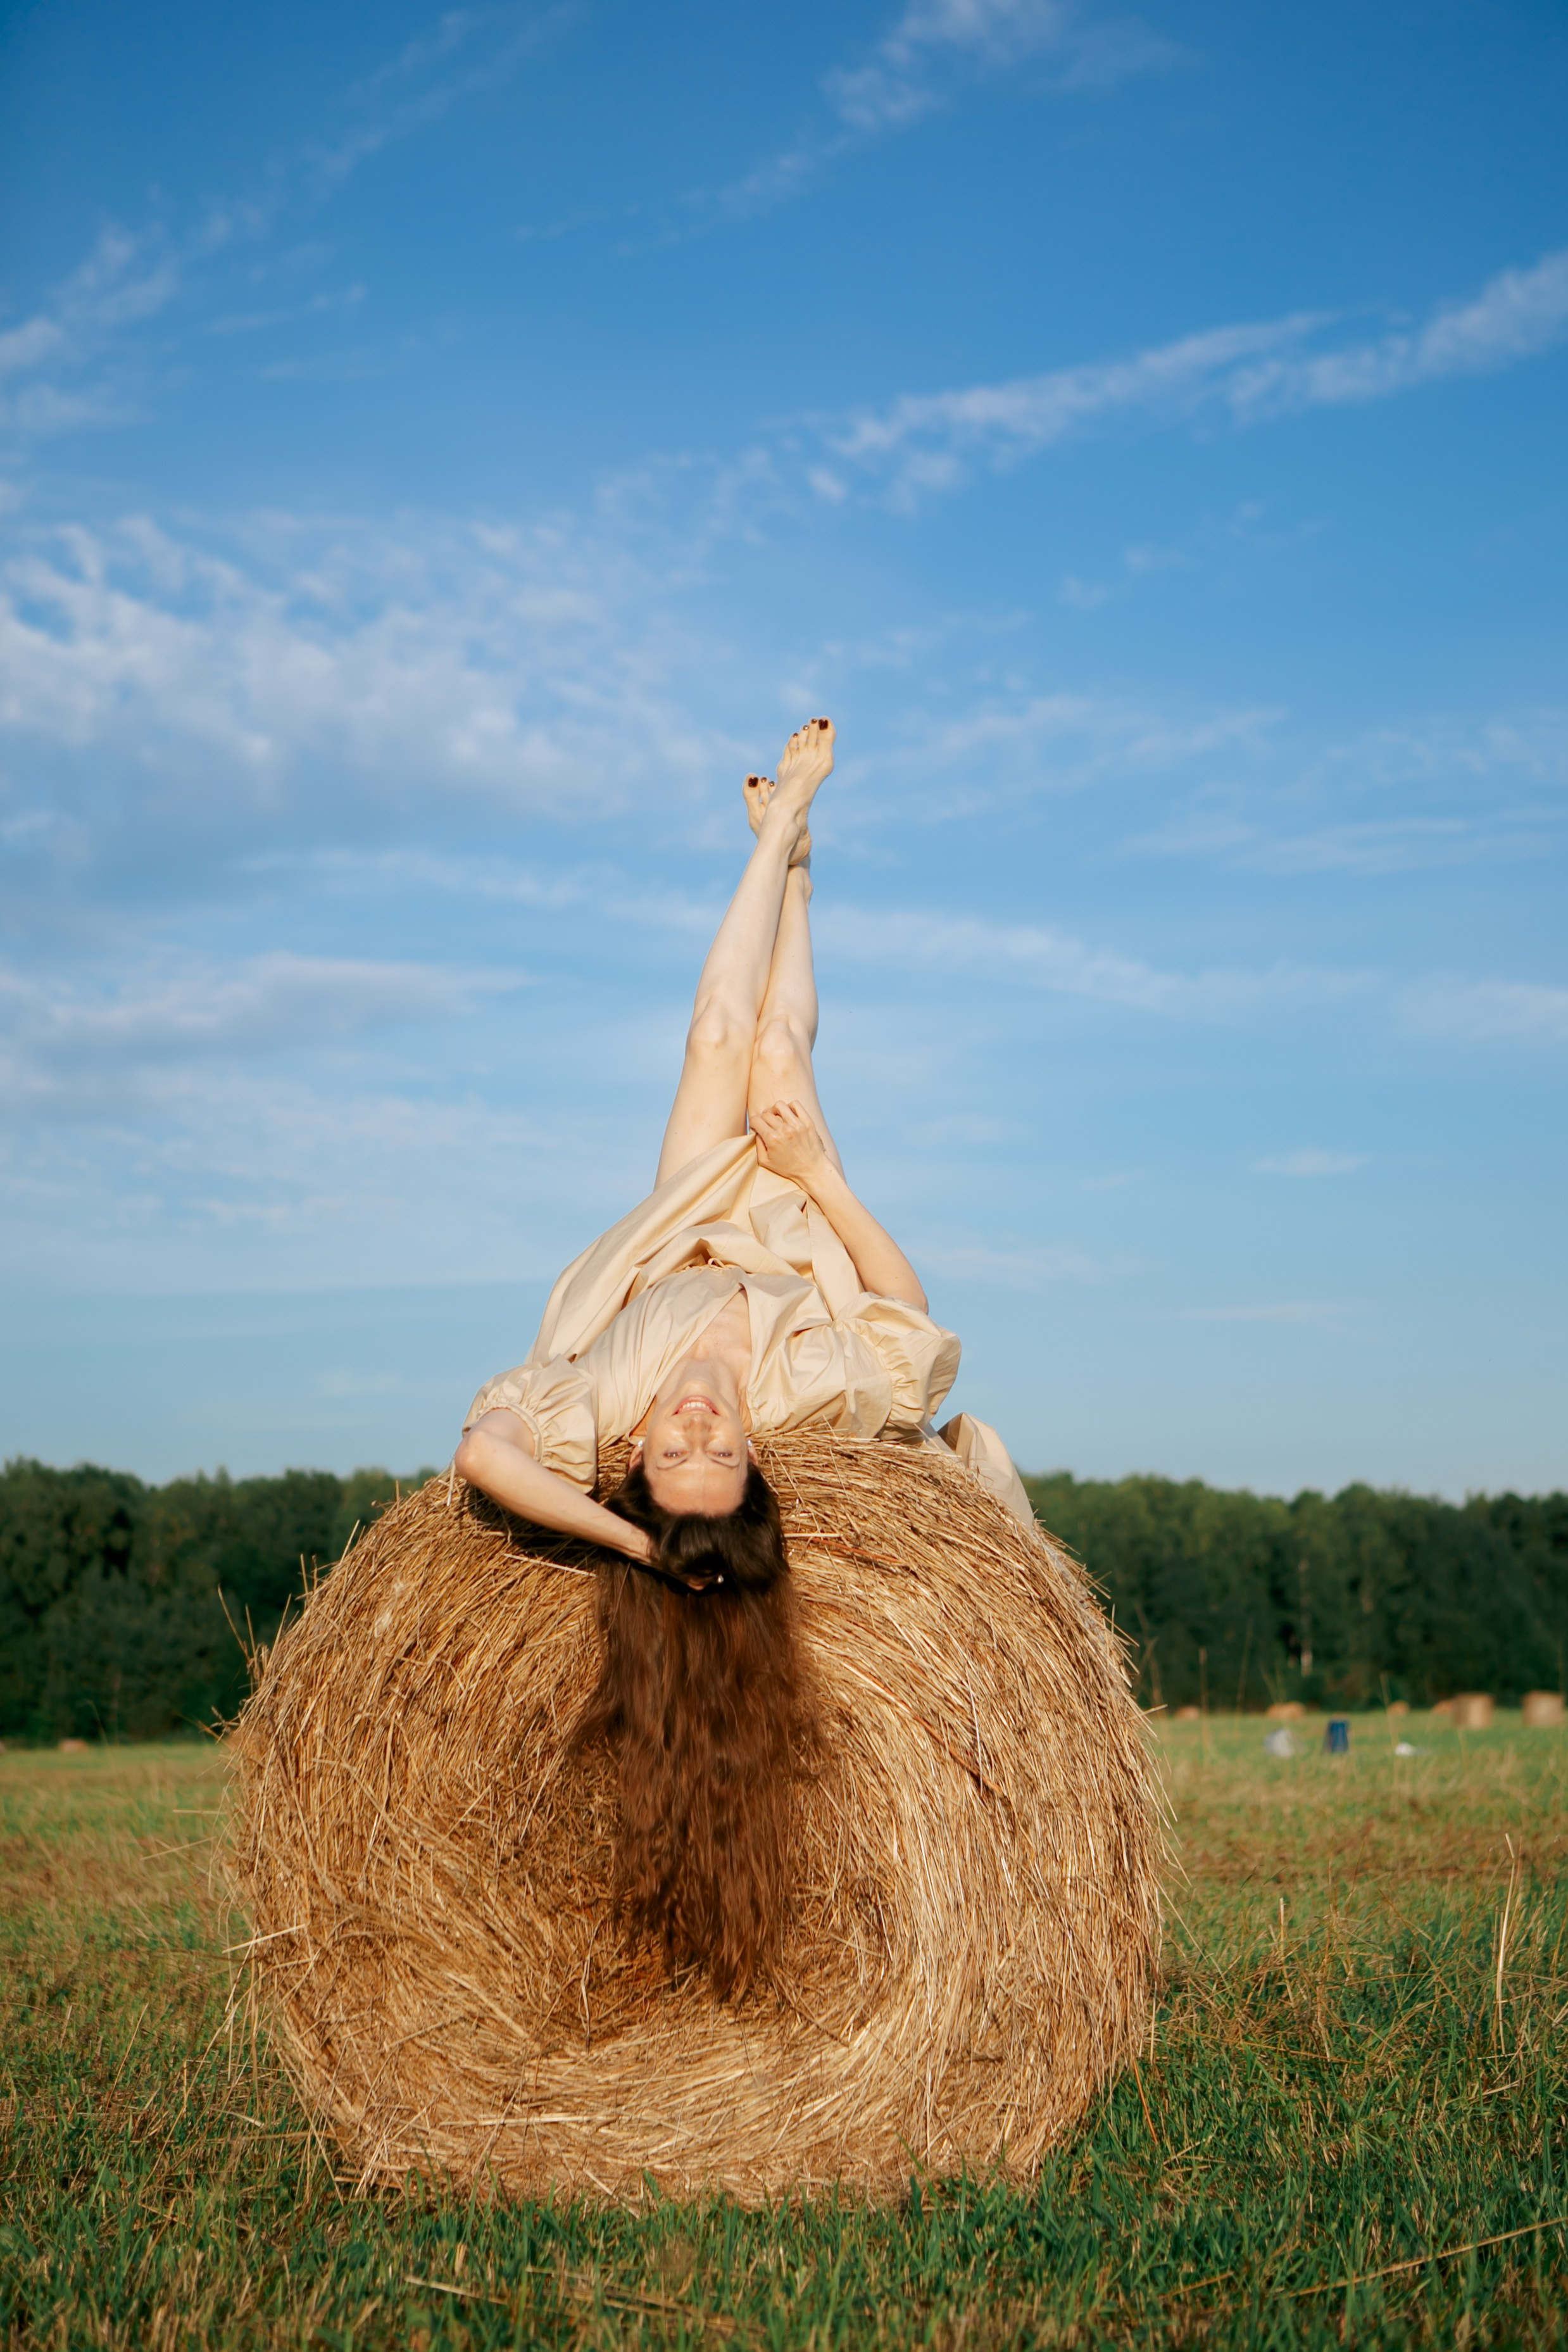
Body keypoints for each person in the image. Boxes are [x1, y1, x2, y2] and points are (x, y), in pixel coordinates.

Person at [452, 716, 1031, 1995]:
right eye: (724, 1453)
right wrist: (822, 1171)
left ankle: (782, 836)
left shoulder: (601, 1405)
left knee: (719, 1041)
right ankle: (802, 862)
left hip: (672, 1234)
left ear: (640, 1456)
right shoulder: (805, 1398)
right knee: (781, 1061)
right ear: (758, 1458)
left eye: (678, 1452)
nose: (701, 1426)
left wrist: (635, 1544)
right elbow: (909, 1313)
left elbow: (483, 1454)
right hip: (798, 1229)